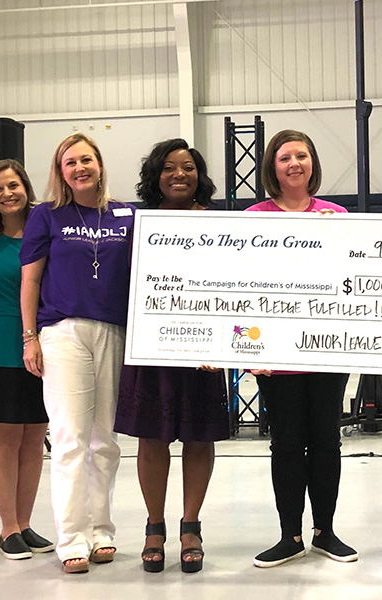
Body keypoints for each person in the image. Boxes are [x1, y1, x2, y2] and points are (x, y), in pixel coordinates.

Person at [20, 133, 135, 574]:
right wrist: (30, 337)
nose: (79, 167)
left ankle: (101, 530)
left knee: (105, 440)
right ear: (60, 171)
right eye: (70, 162)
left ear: (100, 164)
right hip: (62, 332)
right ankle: (71, 538)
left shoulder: (128, 215)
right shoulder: (46, 216)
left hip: (114, 331)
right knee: (69, 438)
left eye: (86, 159)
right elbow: (30, 281)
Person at [114, 138, 229, 574]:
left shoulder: (220, 226)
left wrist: (222, 341)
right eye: (169, 167)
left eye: (188, 167)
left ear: (199, 176)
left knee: (200, 437)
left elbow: (232, 286)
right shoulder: (139, 224)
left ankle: (191, 526)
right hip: (153, 346)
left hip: (205, 348)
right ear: (154, 177)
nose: (179, 174)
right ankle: (155, 527)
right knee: (152, 436)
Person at [244, 129, 357, 568]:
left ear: (313, 163)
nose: (295, 164)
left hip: (327, 352)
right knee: (286, 445)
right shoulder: (254, 217)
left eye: (302, 156)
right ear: (272, 166)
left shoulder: (337, 214)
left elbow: (351, 283)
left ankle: (324, 532)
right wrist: (250, 352)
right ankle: (289, 534)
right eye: (285, 157)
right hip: (277, 359)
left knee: (327, 441)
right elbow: (243, 287)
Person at [0, 160, 53, 560]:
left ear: (26, 187)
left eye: (14, 185)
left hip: (43, 345)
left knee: (35, 436)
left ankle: (25, 522)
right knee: (6, 438)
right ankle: (7, 529)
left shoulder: (45, 230)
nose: (7, 193)